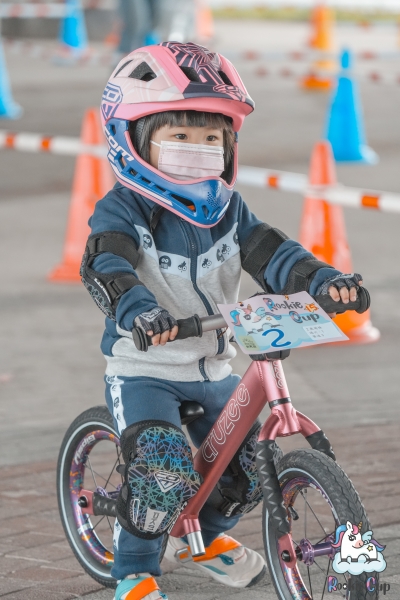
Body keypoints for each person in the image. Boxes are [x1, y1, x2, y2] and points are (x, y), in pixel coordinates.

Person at [81, 41, 363, 600]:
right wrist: (140, 310)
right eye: (180, 136)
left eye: (212, 139)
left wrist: (323, 280)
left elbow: (273, 253)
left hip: (212, 367)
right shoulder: (123, 210)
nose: (199, 150)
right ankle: (132, 568)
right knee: (162, 472)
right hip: (145, 368)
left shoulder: (227, 210)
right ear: (131, 139)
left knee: (248, 471)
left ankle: (202, 537)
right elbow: (107, 265)